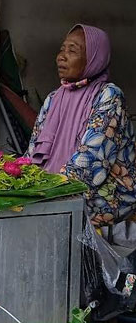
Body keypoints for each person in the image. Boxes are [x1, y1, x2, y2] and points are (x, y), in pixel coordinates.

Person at [27, 24, 136, 226]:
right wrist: (20, 178)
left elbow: (91, 161)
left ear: (94, 58)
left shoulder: (109, 95)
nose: (61, 56)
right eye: (62, 49)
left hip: (105, 194)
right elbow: (33, 151)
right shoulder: (54, 98)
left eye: (72, 50)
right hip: (58, 186)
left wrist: (44, 190)